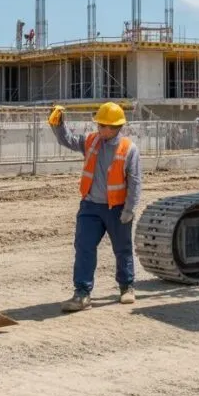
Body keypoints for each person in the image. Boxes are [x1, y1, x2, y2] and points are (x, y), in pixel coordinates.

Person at [48, 101, 142, 312]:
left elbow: (135, 183)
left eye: (101, 125)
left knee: (122, 248)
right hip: (90, 206)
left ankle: (127, 287)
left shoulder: (129, 149)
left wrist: (129, 210)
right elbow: (68, 140)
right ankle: (82, 294)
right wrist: (58, 124)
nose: (97, 128)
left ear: (113, 127)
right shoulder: (91, 141)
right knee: (84, 248)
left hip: (117, 208)